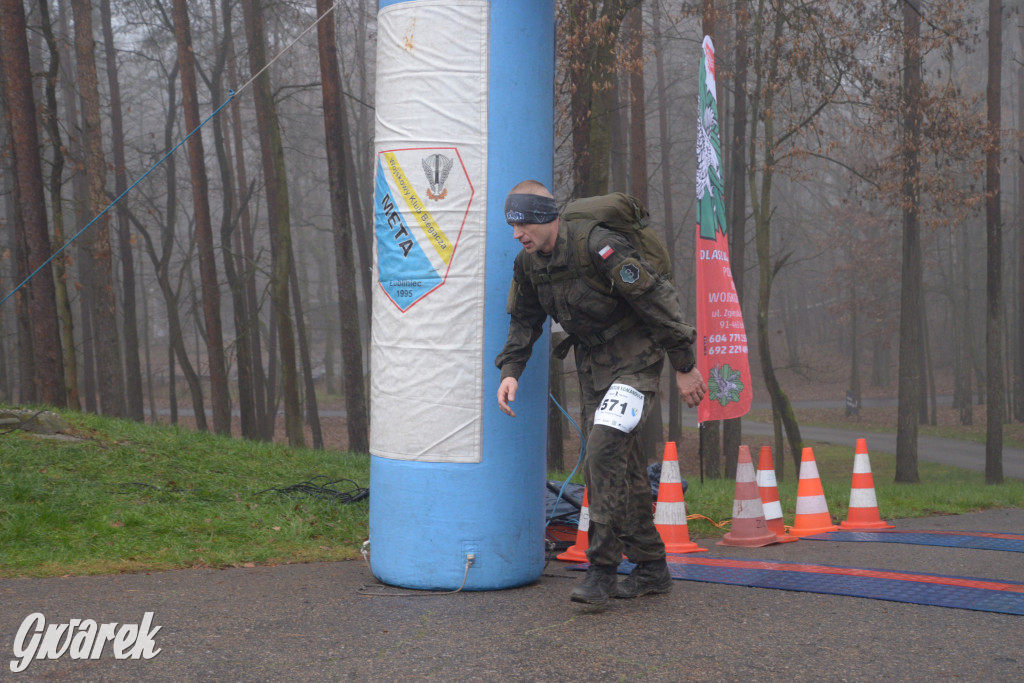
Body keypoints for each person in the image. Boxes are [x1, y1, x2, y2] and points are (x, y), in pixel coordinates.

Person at [495, 180, 706, 605]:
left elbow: (655, 299)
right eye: (512, 226)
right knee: (622, 469)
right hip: (594, 367)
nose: (517, 234)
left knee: (603, 452)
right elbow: (524, 319)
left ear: (544, 217)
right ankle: (651, 567)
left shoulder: (600, 245)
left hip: (636, 358)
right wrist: (511, 369)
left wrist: (684, 365)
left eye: (523, 225)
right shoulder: (529, 263)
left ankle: (603, 570)